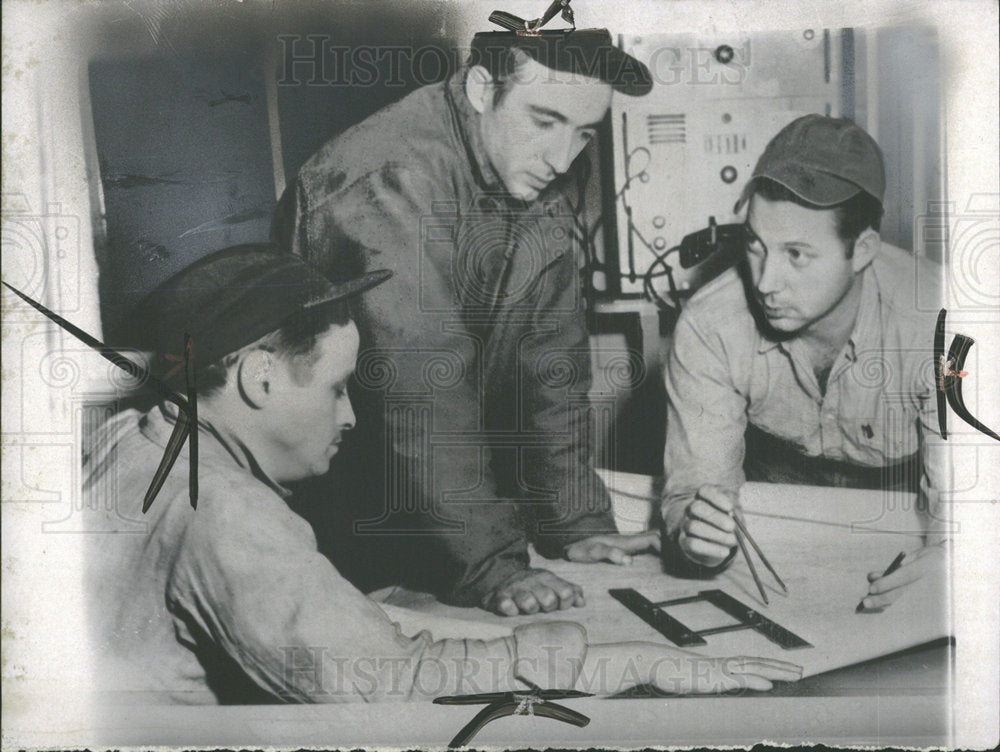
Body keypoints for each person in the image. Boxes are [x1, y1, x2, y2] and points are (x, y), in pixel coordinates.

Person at [82, 244, 801, 703]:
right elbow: (390, 684)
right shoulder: (226, 511)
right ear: (262, 380)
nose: (350, 417)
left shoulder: (136, 442)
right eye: (335, 388)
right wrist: (629, 663)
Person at [273, 27, 659, 616]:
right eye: (545, 119)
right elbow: (422, 385)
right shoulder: (389, 178)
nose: (563, 158)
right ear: (483, 88)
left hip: (446, 507)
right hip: (342, 517)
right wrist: (489, 563)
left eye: (584, 133)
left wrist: (575, 520)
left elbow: (551, 362)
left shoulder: (528, 167)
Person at [660, 115, 948, 610]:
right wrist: (697, 537)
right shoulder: (712, 326)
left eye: (796, 254)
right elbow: (692, 493)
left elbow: (971, 506)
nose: (766, 281)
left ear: (861, 250)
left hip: (906, 517)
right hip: (778, 530)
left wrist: (954, 557)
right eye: (755, 245)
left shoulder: (941, 325)